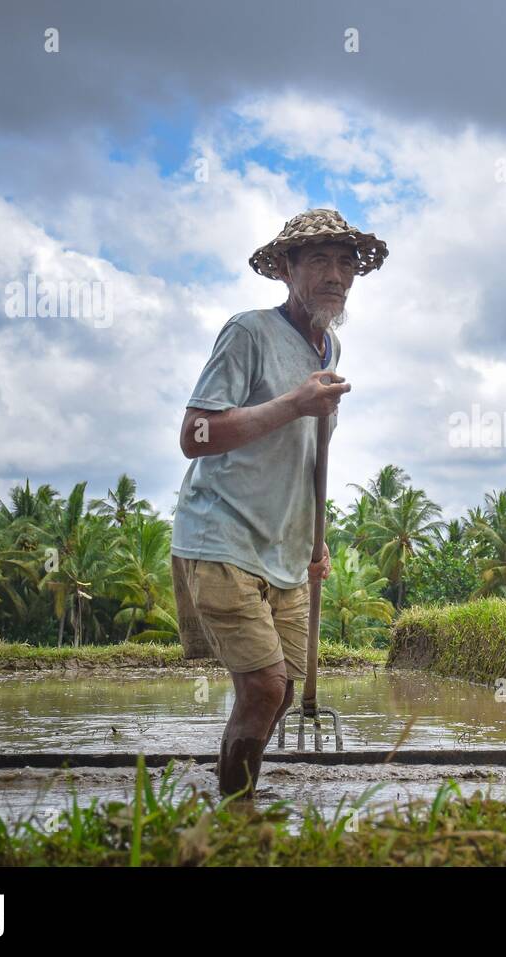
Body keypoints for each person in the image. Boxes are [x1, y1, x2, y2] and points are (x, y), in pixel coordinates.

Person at [171, 208, 388, 799]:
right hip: (223, 538)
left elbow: (309, 454)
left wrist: (315, 541)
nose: (335, 274)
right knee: (265, 687)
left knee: (280, 689)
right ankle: (237, 815)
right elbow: (196, 435)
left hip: (284, 548)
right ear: (286, 268)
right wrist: (294, 403)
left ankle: (230, 798)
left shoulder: (328, 348)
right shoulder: (249, 332)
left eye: (345, 262)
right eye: (318, 259)